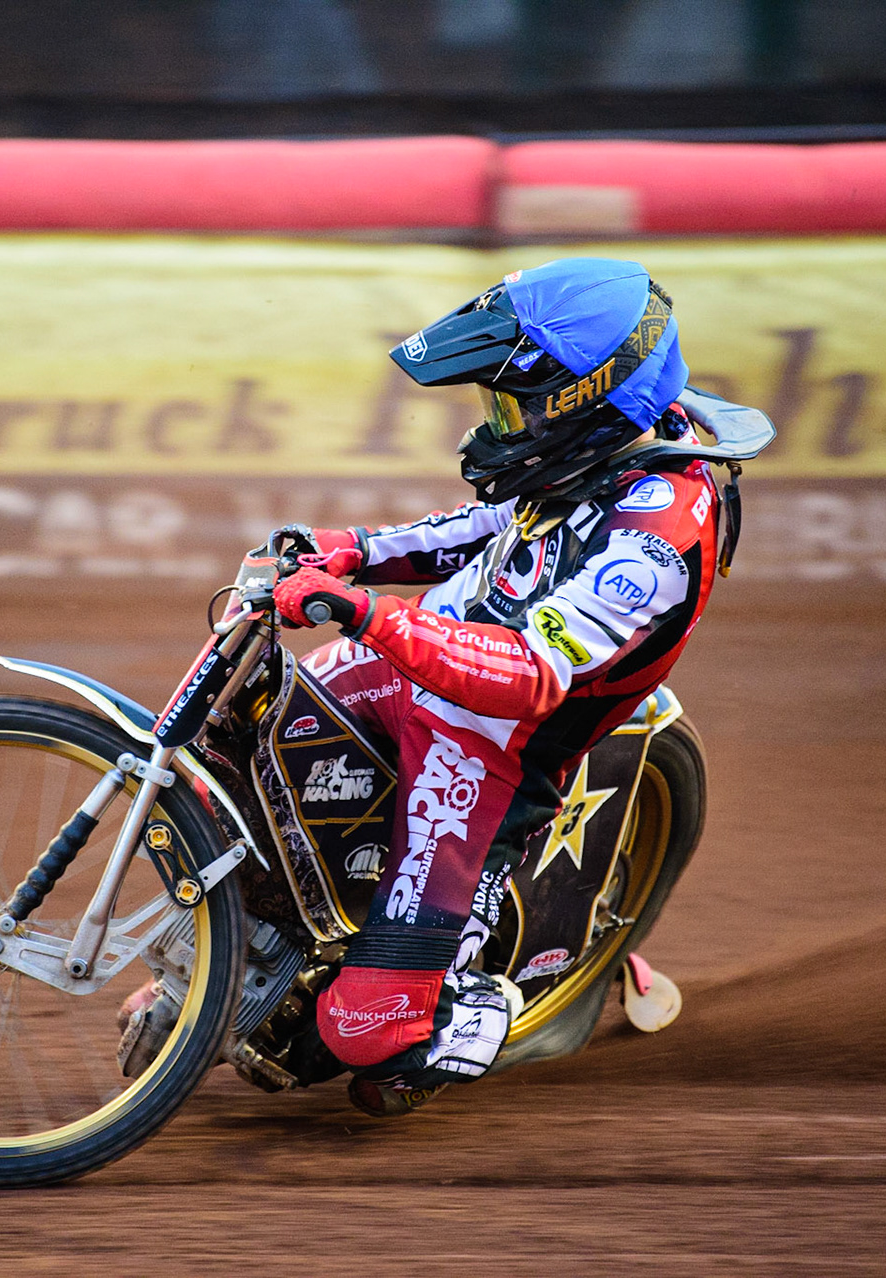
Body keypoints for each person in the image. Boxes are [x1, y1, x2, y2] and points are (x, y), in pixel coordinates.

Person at [269, 257, 727, 1116]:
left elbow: (524, 676)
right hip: (438, 650)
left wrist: (369, 613)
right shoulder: (598, 451)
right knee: (255, 741)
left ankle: (471, 1004)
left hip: (496, 736)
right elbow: (494, 525)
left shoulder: (657, 537)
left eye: (512, 407)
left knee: (358, 1038)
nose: (496, 426)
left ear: (585, 401)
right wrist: (356, 550)